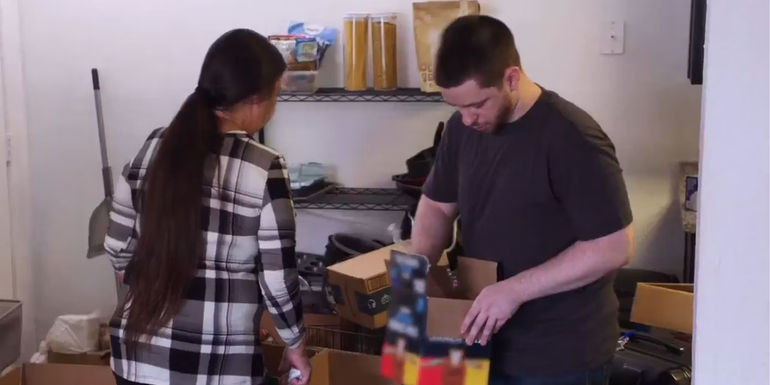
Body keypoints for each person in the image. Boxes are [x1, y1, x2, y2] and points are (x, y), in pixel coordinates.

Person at [410, 16, 634, 385]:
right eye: (457, 108)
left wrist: (514, 290)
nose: (467, 120)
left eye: (477, 104)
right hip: (479, 342)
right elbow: (437, 204)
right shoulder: (460, 129)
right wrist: (418, 266)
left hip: (560, 356)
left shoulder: (573, 138)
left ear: (511, 78)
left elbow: (614, 246)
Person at [104, 29, 310, 385]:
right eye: (277, 95)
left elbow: (117, 249)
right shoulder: (264, 167)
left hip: (137, 361)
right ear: (256, 99)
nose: (274, 111)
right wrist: (295, 344)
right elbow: (278, 281)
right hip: (216, 368)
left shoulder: (154, 146)